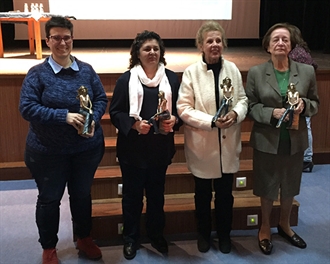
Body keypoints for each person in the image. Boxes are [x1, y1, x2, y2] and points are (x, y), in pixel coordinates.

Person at [19, 16, 108, 264]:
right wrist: (63, 116)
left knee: (81, 195)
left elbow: (101, 100)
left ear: (72, 39)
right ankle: (49, 247)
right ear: (48, 41)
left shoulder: (87, 70)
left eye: (66, 37)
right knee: (49, 199)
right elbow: (26, 108)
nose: (62, 42)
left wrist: (93, 121)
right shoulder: (37, 74)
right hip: (47, 152)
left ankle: (83, 238)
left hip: (86, 149)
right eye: (56, 37)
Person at [245, 22, 319, 255]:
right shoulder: (256, 72)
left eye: (285, 39)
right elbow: (250, 107)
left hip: (294, 140)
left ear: (291, 45)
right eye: (275, 39)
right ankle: (265, 227)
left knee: (289, 186)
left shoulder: (306, 72)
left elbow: (316, 104)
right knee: (267, 187)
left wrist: (304, 105)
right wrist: (270, 113)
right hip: (267, 140)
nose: (280, 43)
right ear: (268, 46)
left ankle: (285, 225)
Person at [109, 30, 182, 260]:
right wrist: (132, 125)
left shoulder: (171, 78)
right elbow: (115, 112)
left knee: (156, 196)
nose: (152, 52)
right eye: (147, 49)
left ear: (161, 53)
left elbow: (180, 111)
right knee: (132, 198)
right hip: (133, 151)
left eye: (156, 49)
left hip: (160, 149)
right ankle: (131, 238)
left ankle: (156, 235)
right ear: (137, 54)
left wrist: (174, 121)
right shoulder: (125, 79)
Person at [176, 21, 248, 254]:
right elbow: (184, 108)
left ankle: (224, 235)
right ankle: (204, 234)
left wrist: (236, 114)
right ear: (201, 45)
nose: (215, 44)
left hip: (228, 145)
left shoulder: (233, 70)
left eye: (218, 40)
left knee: (225, 195)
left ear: (224, 44)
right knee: (203, 194)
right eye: (210, 41)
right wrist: (210, 122)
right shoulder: (191, 73)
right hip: (202, 146)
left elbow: (243, 100)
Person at [288, 24, 318, 172]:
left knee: (305, 124)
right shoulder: (300, 50)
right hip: (299, 92)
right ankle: (306, 157)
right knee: (304, 124)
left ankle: (307, 158)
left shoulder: (296, 53)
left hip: (300, 94)